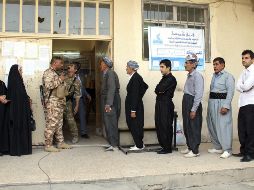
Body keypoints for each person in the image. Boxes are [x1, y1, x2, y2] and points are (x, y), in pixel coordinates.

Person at [207, 57, 235, 159]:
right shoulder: (214, 76)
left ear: (223, 65)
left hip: (222, 103)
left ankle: (227, 149)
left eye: (217, 64)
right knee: (212, 125)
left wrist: (226, 106)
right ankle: (217, 146)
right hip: (212, 102)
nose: (215, 66)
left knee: (224, 126)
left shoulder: (228, 77)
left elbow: (230, 92)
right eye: (214, 64)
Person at [42, 56, 71, 152]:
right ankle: (48, 145)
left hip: (59, 103)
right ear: (54, 63)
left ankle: (60, 143)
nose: (62, 65)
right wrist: (60, 79)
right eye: (60, 63)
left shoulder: (55, 73)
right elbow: (49, 85)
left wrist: (62, 79)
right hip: (52, 103)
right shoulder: (48, 73)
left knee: (59, 124)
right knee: (51, 124)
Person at [5, 65, 32, 156]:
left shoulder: (14, 82)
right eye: (20, 70)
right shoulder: (17, 82)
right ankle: (21, 149)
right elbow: (21, 96)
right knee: (19, 127)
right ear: (16, 72)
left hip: (17, 110)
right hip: (19, 111)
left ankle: (18, 148)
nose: (21, 72)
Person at [181, 54, 204, 158]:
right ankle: (190, 147)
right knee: (187, 125)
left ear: (193, 64)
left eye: (187, 63)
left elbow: (198, 94)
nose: (185, 64)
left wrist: (194, 109)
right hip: (186, 100)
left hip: (192, 101)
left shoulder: (197, 76)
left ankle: (195, 150)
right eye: (185, 62)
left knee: (194, 126)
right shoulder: (189, 75)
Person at [235, 50, 254, 162]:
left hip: (251, 104)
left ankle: (250, 154)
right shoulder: (243, 72)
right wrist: (243, 86)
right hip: (242, 103)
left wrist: (243, 86)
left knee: (250, 130)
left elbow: (246, 86)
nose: (243, 60)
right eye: (242, 58)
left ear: (252, 59)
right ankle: (244, 151)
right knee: (242, 129)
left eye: (246, 58)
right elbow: (238, 86)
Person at [155, 59, 177, 154]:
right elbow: (157, 90)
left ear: (168, 67)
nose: (160, 69)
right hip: (160, 103)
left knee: (165, 125)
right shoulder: (164, 78)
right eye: (160, 67)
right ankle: (163, 146)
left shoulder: (171, 79)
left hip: (166, 104)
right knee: (159, 124)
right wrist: (159, 90)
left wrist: (160, 90)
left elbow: (160, 88)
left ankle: (167, 148)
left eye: (162, 67)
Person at [125, 60, 148, 151]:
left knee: (135, 125)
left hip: (134, 106)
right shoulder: (135, 77)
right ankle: (139, 144)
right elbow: (143, 87)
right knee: (134, 124)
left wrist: (133, 110)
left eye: (127, 67)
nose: (126, 68)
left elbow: (135, 94)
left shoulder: (135, 78)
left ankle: (139, 145)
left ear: (131, 68)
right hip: (134, 105)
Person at [100, 56, 121, 151]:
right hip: (108, 100)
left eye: (101, 63)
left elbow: (112, 88)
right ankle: (112, 144)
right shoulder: (106, 73)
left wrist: (108, 104)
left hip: (110, 101)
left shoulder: (110, 73)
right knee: (108, 122)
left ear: (105, 64)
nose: (100, 65)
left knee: (111, 122)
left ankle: (114, 145)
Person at [63, 62, 82, 144]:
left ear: (75, 70)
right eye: (69, 66)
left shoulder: (76, 81)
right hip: (58, 101)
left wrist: (77, 106)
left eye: (71, 67)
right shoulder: (62, 76)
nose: (69, 67)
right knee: (58, 120)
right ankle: (58, 138)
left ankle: (75, 136)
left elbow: (78, 94)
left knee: (70, 120)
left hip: (68, 102)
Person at [77, 72, 91, 139]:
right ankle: (73, 134)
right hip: (72, 99)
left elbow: (82, 87)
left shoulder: (80, 76)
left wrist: (87, 94)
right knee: (70, 117)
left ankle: (83, 133)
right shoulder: (69, 77)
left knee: (82, 115)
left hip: (81, 99)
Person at [0, 80, 9, 156]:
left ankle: (2, 149)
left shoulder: (1, 83)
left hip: (2, 110)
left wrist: (6, 99)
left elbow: (6, 93)